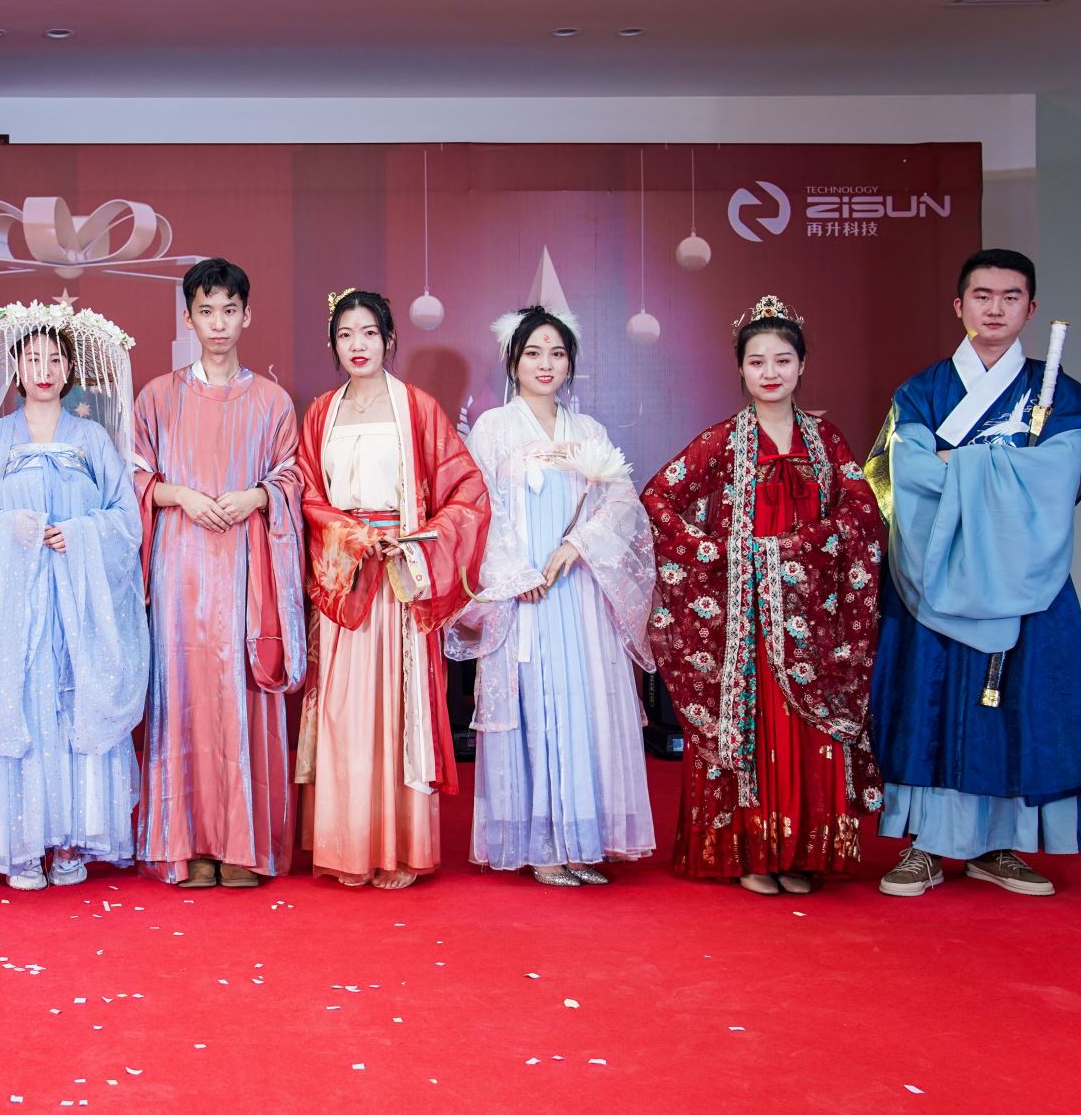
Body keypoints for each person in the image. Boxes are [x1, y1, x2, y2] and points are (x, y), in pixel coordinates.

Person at [868, 250, 1081, 898]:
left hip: (1021, 576)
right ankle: (925, 845)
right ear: (959, 306)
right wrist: (1004, 467)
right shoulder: (922, 391)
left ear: (1030, 309)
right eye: (982, 296)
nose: (995, 308)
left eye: (1011, 297)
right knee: (930, 700)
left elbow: (1056, 476)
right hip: (935, 572)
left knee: (1016, 705)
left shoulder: (1057, 394)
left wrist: (963, 463)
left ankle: (1001, 845)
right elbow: (910, 474)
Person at [641, 296, 883, 896]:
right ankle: (748, 853)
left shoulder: (826, 440)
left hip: (812, 615)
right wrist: (715, 553)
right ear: (741, 370)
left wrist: (804, 546)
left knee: (808, 731)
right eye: (757, 362)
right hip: (744, 619)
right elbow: (657, 498)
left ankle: (800, 854)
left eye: (782, 360)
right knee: (753, 725)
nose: (770, 372)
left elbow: (862, 510)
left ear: (802, 366)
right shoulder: (724, 440)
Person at [446, 305, 656, 886]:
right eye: (533, 352)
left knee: (584, 709)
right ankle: (541, 846)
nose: (546, 364)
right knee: (536, 707)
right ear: (513, 361)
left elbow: (622, 504)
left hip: (579, 591)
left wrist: (578, 544)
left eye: (557, 354)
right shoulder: (493, 429)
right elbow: (478, 509)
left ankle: (581, 842)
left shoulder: (588, 432)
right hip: (527, 596)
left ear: (570, 364)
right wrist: (517, 573)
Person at [0, 304, 148, 889]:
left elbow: (126, 521)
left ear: (69, 368)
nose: (45, 370)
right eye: (33, 359)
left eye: (55, 359)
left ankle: (72, 841)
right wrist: (10, 527)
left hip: (78, 607)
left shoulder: (92, 439)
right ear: (16, 368)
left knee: (72, 705)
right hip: (15, 607)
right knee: (24, 707)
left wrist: (79, 533)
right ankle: (22, 844)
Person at [297, 289, 489, 888]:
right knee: (345, 710)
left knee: (397, 712)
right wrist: (353, 538)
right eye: (345, 335)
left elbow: (467, 490)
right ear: (332, 344)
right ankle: (347, 846)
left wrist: (417, 542)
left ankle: (399, 848)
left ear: (389, 340)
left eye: (369, 333)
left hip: (402, 578)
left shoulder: (418, 408)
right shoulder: (320, 413)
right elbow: (308, 496)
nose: (357, 345)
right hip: (347, 578)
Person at [131, 258, 308, 888]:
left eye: (229, 311)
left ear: (247, 316)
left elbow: (293, 476)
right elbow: (132, 478)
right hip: (178, 571)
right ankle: (186, 845)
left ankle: (242, 846)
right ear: (188, 318)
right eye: (206, 311)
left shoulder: (272, 401)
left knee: (240, 693)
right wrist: (178, 494)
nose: (218, 324)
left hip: (245, 571)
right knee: (181, 696)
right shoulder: (157, 396)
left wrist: (257, 496)